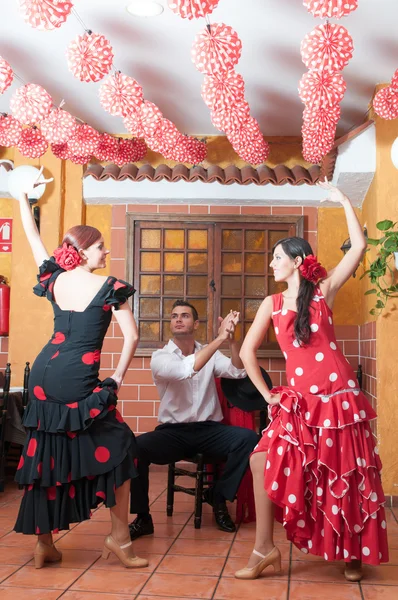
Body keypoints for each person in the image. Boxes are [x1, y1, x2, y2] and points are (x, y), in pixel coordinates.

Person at [235, 179, 389, 582]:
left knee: (346, 472)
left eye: (277, 257)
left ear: (298, 261)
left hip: (338, 399)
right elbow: (245, 352)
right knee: (260, 459)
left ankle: (353, 550)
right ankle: (264, 549)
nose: (271, 263)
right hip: (298, 401)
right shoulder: (271, 304)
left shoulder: (323, 291)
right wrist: (268, 394)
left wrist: (343, 201)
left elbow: (358, 247)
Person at [13, 168, 148, 570]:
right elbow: (133, 337)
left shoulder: (54, 279)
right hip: (77, 377)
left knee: (45, 453)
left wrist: (22, 196)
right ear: (84, 251)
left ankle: (45, 545)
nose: (105, 253)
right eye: (100, 247)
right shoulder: (111, 288)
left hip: (42, 374)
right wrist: (118, 379)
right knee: (122, 446)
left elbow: (32, 235)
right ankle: (120, 538)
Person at [129, 300, 259, 538]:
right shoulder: (160, 357)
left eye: (185, 315)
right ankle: (142, 518)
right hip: (173, 433)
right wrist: (218, 339)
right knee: (135, 448)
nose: (178, 319)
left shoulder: (211, 352)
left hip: (209, 430)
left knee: (249, 439)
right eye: (174, 315)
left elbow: (238, 370)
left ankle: (218, 497)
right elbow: (184, 370)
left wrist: (230, 340)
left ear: (196, 323)